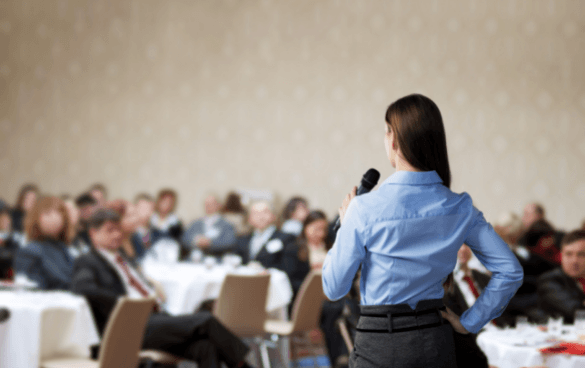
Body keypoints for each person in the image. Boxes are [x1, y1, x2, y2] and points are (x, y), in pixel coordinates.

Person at [322, 94, 523, 367]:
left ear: (393, 140)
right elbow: (510, 270)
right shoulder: (460, 207)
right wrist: (469, 322)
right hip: (435, 341)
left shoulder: (364, 208)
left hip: (380, 342)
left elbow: (334, 288)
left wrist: (345, 227)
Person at [71, 209, 251, 368]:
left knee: (205, 347)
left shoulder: (122, 257)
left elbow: (138, 284)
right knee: (205, 320)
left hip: (154, 319)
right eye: (110, 230)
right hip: (128, 327)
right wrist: (125, 303)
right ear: (93, 234)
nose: (117, 234)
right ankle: (243, 366)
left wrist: (151, 290)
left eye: (118, 229)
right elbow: (83, 289)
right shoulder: (88, 261)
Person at [283, 210, 351, 367]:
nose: (319, 234)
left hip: (332, 296)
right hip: (308, 300)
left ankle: (346, 354)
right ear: (305, 228)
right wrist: (314, 288)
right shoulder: (295, 249)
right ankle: (337, 358)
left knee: (345, 308)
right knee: (333, 311)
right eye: (315, 229)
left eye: (323, 229)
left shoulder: (330, 246)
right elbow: (291, 281)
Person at [14, 196, 75, 290]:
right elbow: (33, 289)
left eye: (59, 213)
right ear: (36, 218)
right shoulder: (29, 251)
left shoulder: (65, 250)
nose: (55, 218)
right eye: (48, 213)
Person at [537, 230, 585, 323]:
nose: (574, 260)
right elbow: (576, 312)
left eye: (581, 254)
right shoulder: (549, 280)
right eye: (568, 254)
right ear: (561, 256)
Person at [234, 200, 295, 270]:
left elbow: (288, 267)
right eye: (255, 213)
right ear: (249, 219)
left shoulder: (286, 238)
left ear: (274, 216)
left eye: (265, 212)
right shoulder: (242, 239)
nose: (260, 217)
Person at [0, 203, 18, 279]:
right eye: (2, 220)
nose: (5, 222)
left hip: (8, 272)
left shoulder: (14, 238)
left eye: (7, 220)